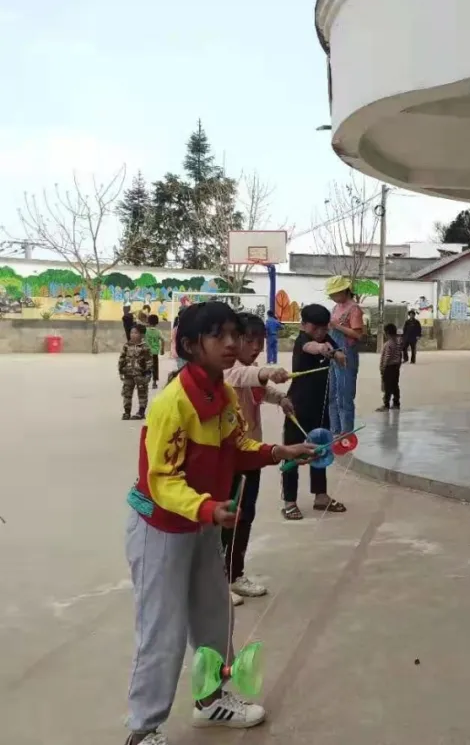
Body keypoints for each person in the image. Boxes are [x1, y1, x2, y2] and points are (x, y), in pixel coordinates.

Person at [122, 302, 314, 745]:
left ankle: (211, 701)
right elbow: (162, 480)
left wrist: (276, 453)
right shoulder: (172, 404)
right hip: (161, 529)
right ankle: (142, 729)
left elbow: (236, 445)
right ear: (190, 346)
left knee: (214, 616)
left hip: (200, 524)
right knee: (162, 630)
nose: (232, 344)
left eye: (234, 334)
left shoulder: (223, 394)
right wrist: (210, 509)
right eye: (218, 336)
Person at [222, 313, 294, 605]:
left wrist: (280, 398)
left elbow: (259, 389)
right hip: (231, 457)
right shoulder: (230, 372)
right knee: (226, 517)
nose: (255, 347)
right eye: (249, 341)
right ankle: (216, 582)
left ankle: (235, 574)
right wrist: (267, 371)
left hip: (253, 452)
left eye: (260, 342)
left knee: (246, 514)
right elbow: (244, 377)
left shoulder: (250, 372)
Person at [281, 304, 348, 520]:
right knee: (293, 453)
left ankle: (320, 496)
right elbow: (311, 347)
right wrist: (322, 349)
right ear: (304, 325)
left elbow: (336, 349)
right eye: (316, 328)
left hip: (320, 406)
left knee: (320, 450)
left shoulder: (325, 338)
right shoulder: (303, 340)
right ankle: (289, 501)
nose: (321, 333)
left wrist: (337, 353)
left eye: (324, 329)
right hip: (297, 406)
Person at [325, 276, 364, 436]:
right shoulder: (335, 308)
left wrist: (337, 326)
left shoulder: (354, 309)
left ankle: (346, 431)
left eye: (335, 294)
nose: (333, 297)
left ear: (344, 291)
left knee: (344, 395)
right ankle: (334, 429)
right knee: (332, 394)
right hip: (334, 354)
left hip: (347, 354)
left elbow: (358, 334)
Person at [119, 324, 153, 420]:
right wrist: (121, 370)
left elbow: (149, 360)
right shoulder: (126, 346)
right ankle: (127, 412)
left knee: (142, 393)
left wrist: (148, 373)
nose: (133, 335)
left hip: (141, 375)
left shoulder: (145, 347)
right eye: (131, 332)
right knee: (127, 393)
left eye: (136, 333)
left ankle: (141, 412)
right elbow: (122, 358)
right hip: (128, 373)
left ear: (142, 335)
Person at [378, 322, 403, 411]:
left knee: (387, 387)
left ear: (387, 333)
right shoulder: (397, 343)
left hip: (389, 368)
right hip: (396, 368)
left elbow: (387, 358)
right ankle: (396, 403)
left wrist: (382, 368)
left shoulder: (388, 344)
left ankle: (386, 405)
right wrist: (398, 365)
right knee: (395, 385)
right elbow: (400, 356)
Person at [145, 315, 163, 388]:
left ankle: (146, 380)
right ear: (157, 322)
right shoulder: (158, 332)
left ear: (148, 322)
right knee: (155, 367)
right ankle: (154, 383)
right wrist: (162, 349)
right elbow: (163, 340)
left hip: (147, 352)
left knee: (146, 366)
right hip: (155, 353)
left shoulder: (146, 331)